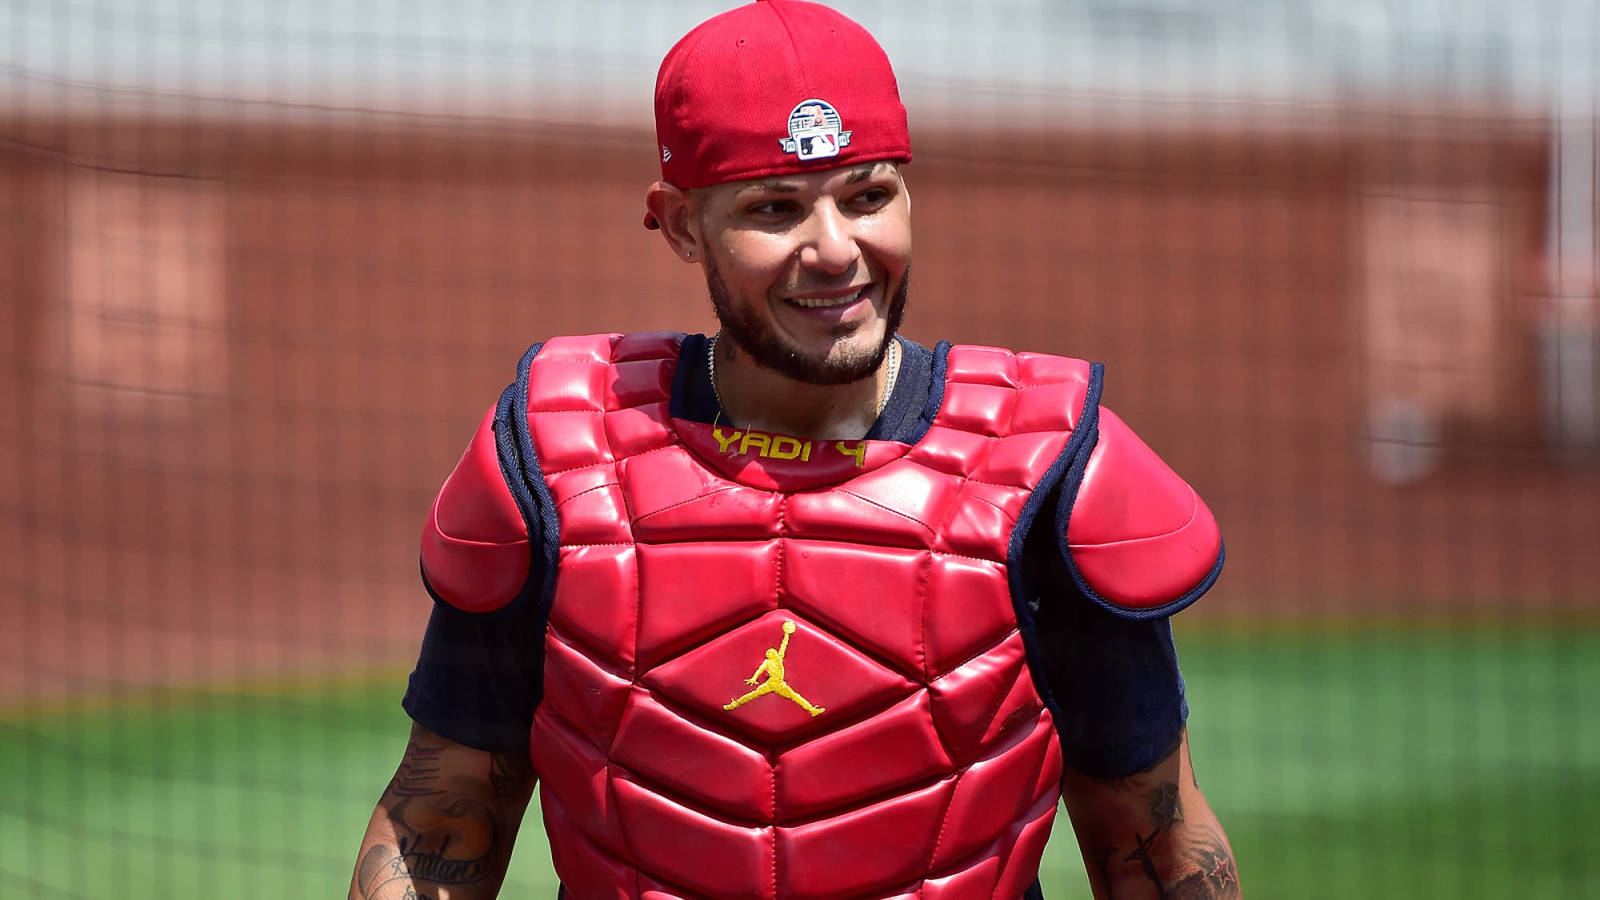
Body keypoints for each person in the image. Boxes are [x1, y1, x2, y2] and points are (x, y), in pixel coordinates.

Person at [349, 1, 1241, 898]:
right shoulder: (557, 461)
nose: (835, 251)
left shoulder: (1043, 470)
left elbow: (1155, 842)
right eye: (775, 209)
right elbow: (443, 814)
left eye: (867, 197)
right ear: (681, 225)